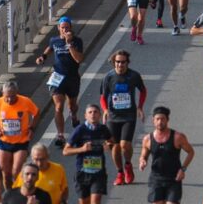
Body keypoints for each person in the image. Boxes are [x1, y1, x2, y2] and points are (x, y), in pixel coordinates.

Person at [100, 49, 147, 186]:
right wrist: (105, 110)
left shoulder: (134, 76)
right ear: (114, 63)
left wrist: (140, 107)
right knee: (114, 147)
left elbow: (143, 91)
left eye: (123, 62)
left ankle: (128, 165)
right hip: (113, 116)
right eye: (118, 62)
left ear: (127, 63)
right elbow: (103, 96)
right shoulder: (108, 77)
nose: (120, 65)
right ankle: (120, 172)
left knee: (125, 145)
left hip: (128, 115)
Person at [35, 15, 83, 147]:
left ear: (71, 28)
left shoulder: (77, 41)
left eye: (67, 28)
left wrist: (69, 44)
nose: (65, 30)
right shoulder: (54, 40)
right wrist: (42, 57)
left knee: (72, 105)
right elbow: (50, 47)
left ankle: (74, 116)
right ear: (58, 28)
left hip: (72, 78)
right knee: (58, 106)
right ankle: (60, 135)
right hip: (58, 77)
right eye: (63, 28)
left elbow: (79, 59)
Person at [0, 81, 39, 189]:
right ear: (2, 93)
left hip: (21, 142)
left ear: (17, 92)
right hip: (4, 142)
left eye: (13, 96)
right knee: (6, 175)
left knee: (16, 172)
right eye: (7, 97)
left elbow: (36, 112)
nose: (10, 100)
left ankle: (18, 195)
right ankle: (9, 196)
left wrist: (32, 128)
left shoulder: (25, 101)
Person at [139, 106, 195, 204]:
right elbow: (144, 155)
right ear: (153, 120)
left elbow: (191, 152)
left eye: (162, 119)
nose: (160, 122)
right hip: (156, 178)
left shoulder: (178, 137)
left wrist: (183, 169)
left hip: (174, 178)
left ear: (167, 120)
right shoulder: (147, 139)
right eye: (157, 119)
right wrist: (142, 161)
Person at [63, 103, 114, 204]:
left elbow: (112, 142)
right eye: (90, 112)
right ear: (85, 116)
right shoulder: (80, 130)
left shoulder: (103, 129)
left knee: (96, 201)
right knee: (84, 202)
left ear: (100, 115)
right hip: (83, 172)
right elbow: (65, 151)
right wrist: (82, 149)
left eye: (95, 112)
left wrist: (109, 145)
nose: (93, 114)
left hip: (99, 172)